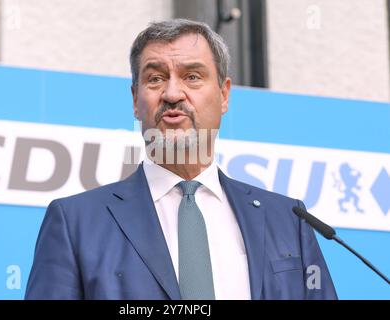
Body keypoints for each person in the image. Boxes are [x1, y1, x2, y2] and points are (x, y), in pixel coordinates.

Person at [25, 19, 337, 300]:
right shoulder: (76, 222)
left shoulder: (289, 220)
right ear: (135, 100)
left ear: (224, 94)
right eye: (156, 79)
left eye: (192, 76)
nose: (173, 93)